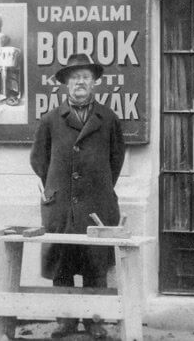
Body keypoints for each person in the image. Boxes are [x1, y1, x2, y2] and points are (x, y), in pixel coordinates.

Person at [30, 53, 126, 339]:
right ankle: (66, 321)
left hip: (97, 203)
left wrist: (98, 187)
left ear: (94, 82)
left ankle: (94, 321)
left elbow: (116, 160)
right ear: (66, 84)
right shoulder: (50, 120)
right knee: (63, 263)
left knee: (96, 263)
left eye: (85, 77)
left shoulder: (108, 119)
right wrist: (57, 186)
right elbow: (39, 161)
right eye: (74, 78)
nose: (80, 83)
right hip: (61, 206)